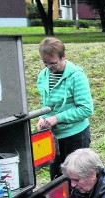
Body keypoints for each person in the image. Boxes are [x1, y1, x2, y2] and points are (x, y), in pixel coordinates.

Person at [35, 37, 94, 180]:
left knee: (77, 180)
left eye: (53, 63)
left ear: (63, 57)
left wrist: (57, 118)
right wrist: (42, 118)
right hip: (54, 137)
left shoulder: (76, 76)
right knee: (56, 180)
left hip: (75, 136)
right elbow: (47, 105)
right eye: (45, 63)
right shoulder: (43, 76)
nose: (49, 67)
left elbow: (86, 109)